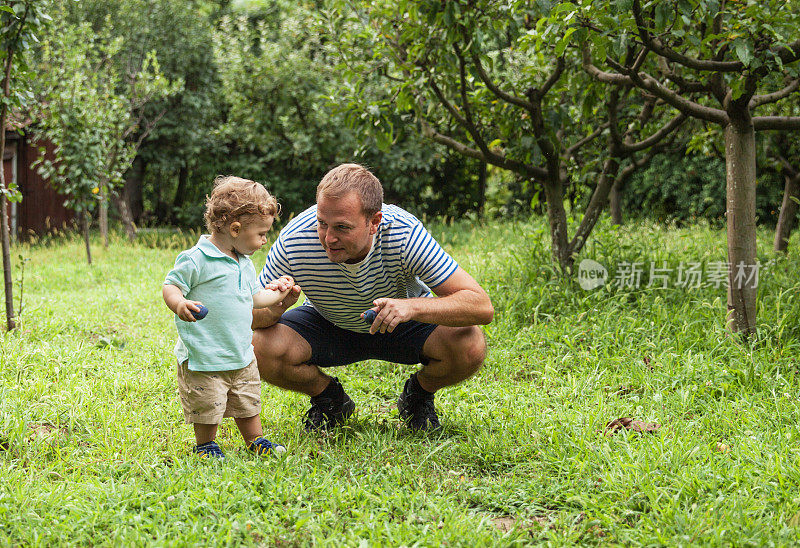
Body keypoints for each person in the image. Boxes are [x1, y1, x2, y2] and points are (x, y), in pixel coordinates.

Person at [252, 164, 493, 432]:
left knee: (469, 343)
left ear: (374, 222)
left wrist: (409, 308)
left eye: (342, 227)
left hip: (403, 324)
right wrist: (276, 309)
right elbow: (250, 316)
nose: (328, 238)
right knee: (256, 346)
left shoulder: (404, 233)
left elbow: (480, 306)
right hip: (328, 322)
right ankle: (328, 398)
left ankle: (419, 395)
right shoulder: (294, 240)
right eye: (322, 223)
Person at [163, 176, 293, 459]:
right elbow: (170, 285)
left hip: (240, 351)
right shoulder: (195, 258)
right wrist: (179, 303)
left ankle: (255, 439)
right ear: (235, 228)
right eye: (261, 233)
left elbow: (255, 298)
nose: (264, 240)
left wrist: (278, 293)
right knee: (207, 402)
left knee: (247, 399)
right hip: (205, 353)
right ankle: (206, 444)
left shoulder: (244, 263)